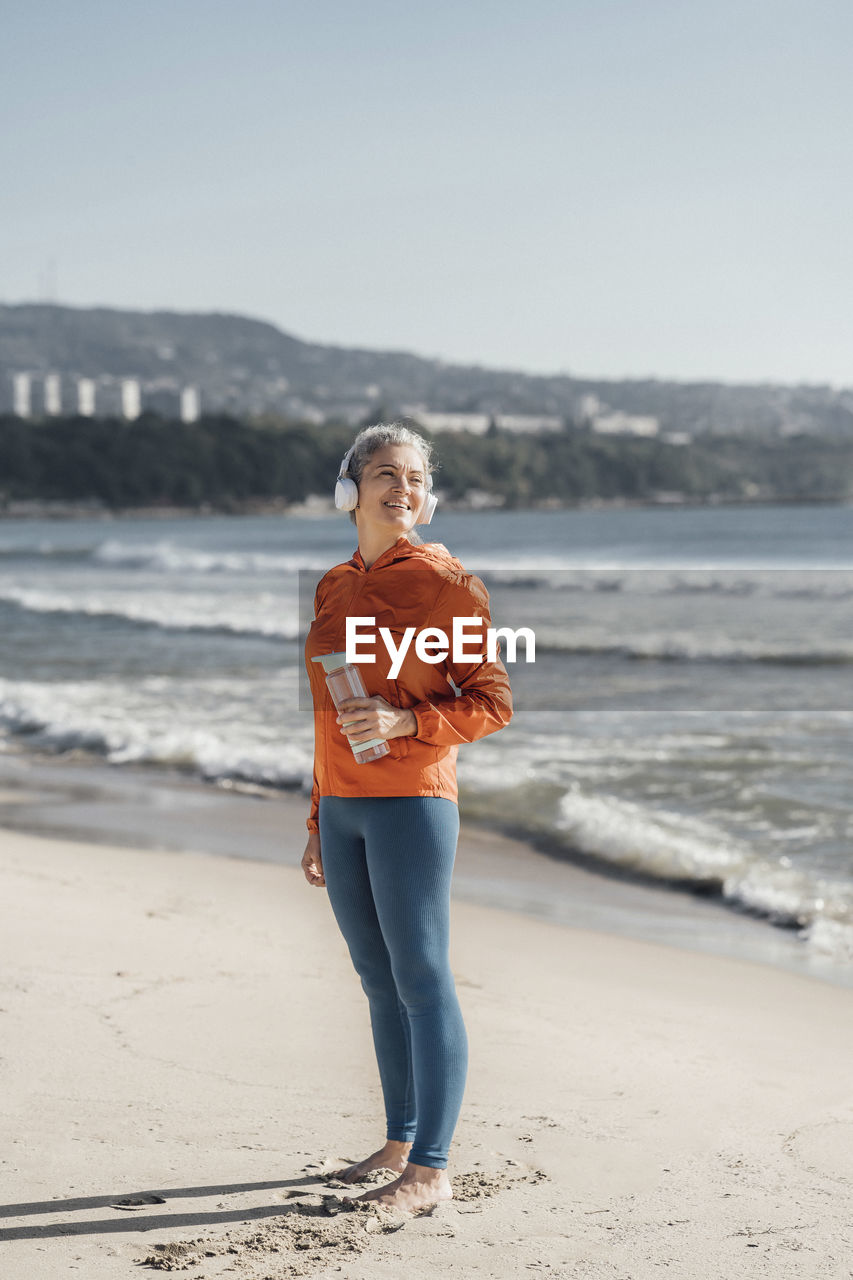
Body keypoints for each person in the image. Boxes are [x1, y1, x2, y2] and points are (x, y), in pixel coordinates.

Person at [301, 422, 513, 1213]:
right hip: (347, 806)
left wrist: (402, 724)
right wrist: (319, 813)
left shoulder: (449, 585)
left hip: (412, 803)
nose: (404, 488)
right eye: (386, 473)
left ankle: (429, 1170)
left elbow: (492, 701)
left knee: (420, 977)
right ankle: (396, 1139)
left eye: (416, 477)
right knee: (375, 979)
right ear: (349, 489)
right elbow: (327, 714)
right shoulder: (331, 586)